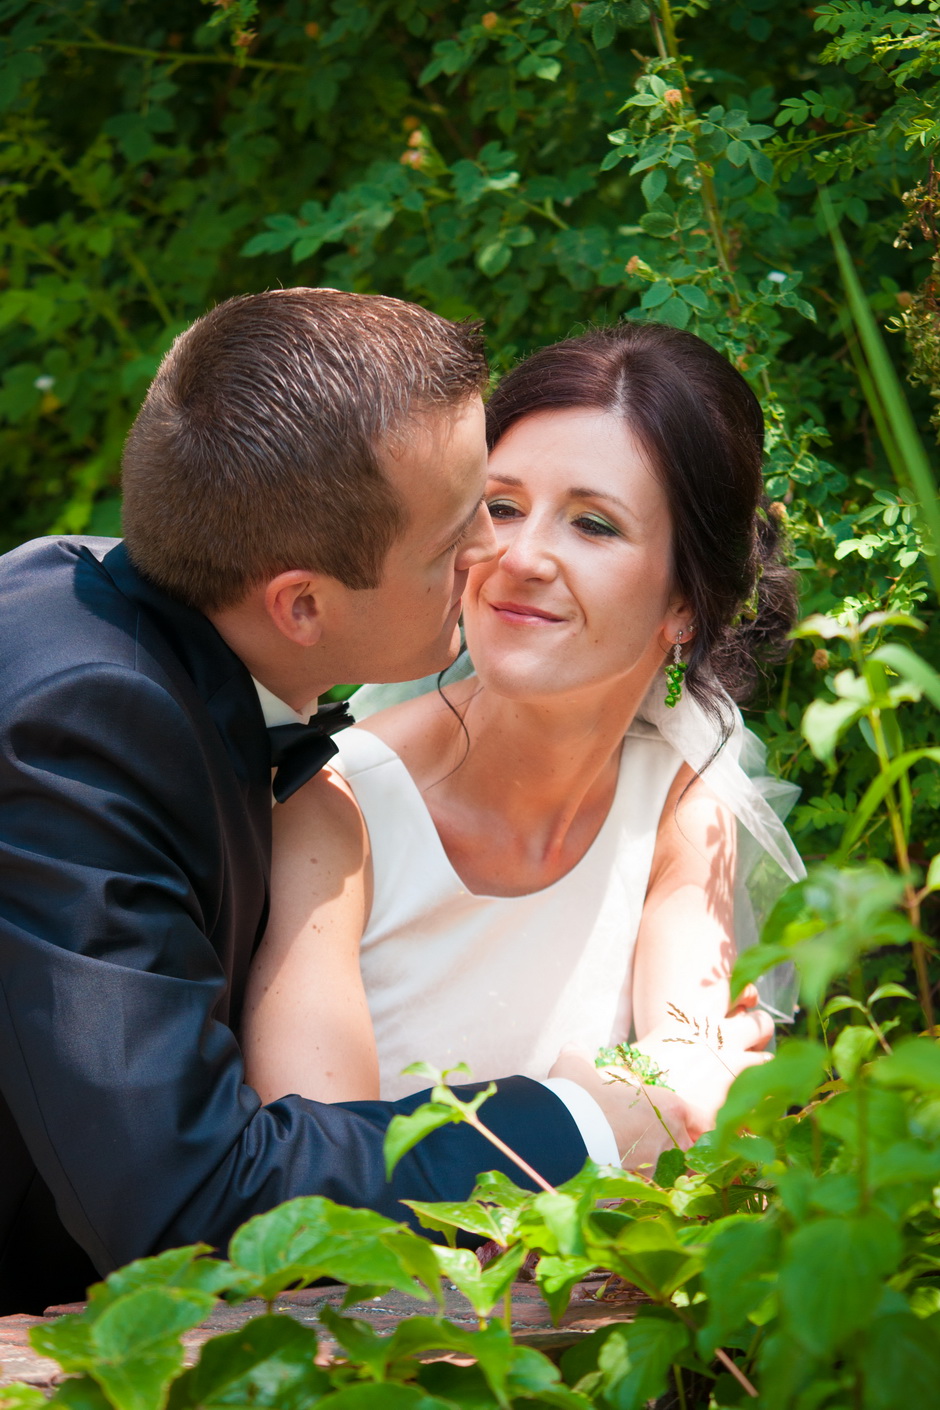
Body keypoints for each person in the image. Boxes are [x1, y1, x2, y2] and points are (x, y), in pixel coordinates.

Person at [0, 291, 683, 1318]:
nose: (491, 561)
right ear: (302, 605)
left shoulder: (112, 610)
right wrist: (580, 1125)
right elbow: (187, 1197)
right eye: (459, 536)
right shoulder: (80, 732)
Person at [242, 322, 805, 1145]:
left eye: (594, 525)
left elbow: (698, 1111)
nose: (519, 556)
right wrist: (584, 1102)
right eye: (500, 507)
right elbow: (320, 1188)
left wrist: (670, 1099)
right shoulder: (333, 803)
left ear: (685, 603)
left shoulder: (682, 797)